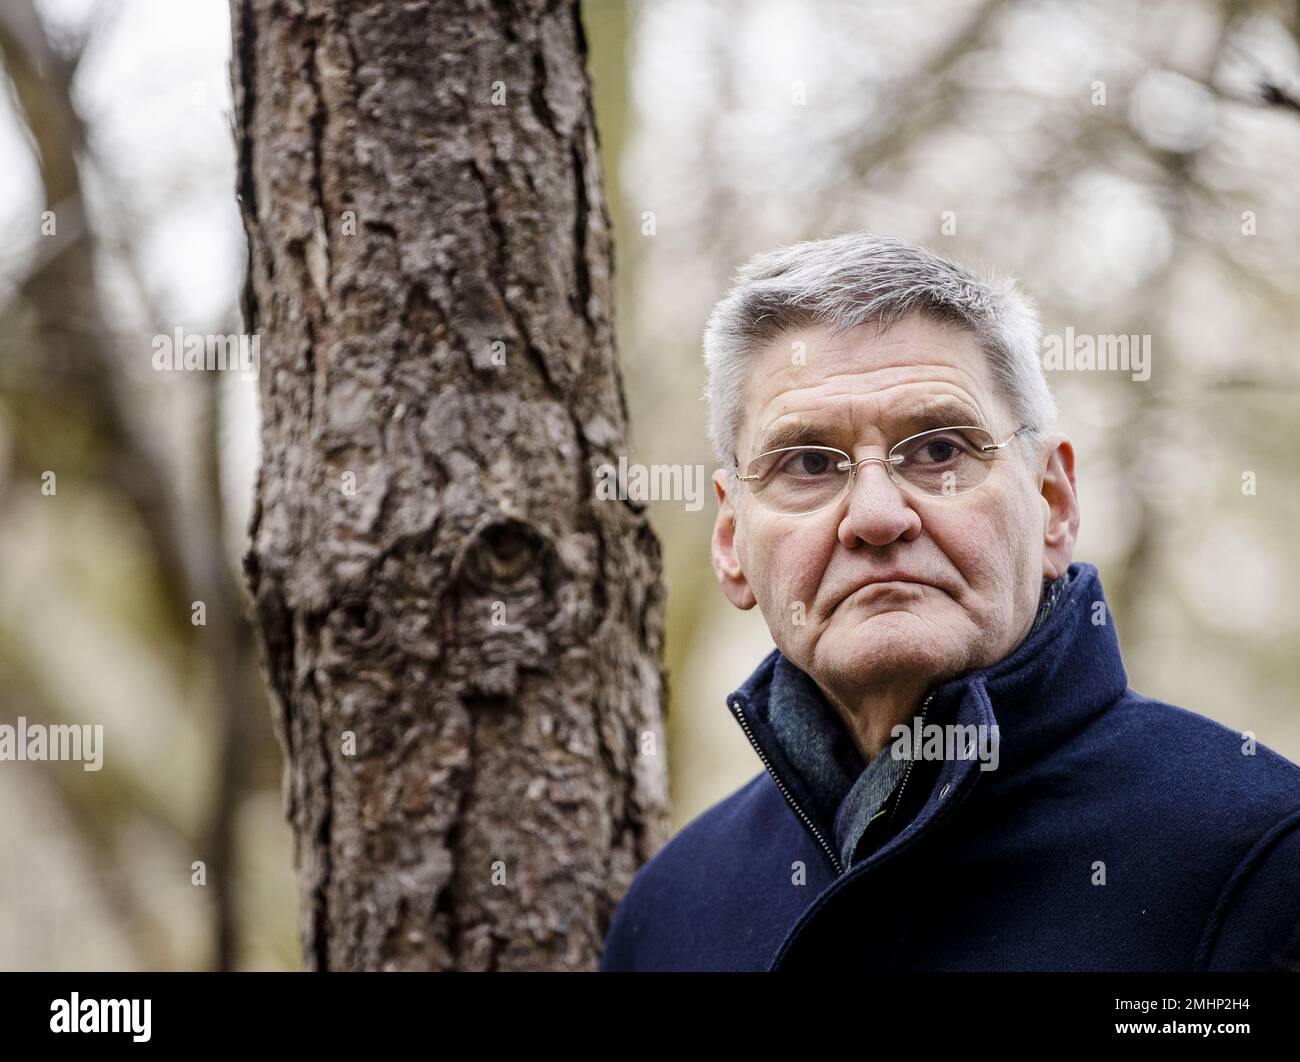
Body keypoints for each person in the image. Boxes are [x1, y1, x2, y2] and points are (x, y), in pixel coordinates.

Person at [599, 232, 1300, 971]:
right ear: (731, 540)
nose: (875, 516)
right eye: (808, 463)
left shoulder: (1258, 861)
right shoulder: (671, 912)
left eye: (938, 451)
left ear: (1053, 503)